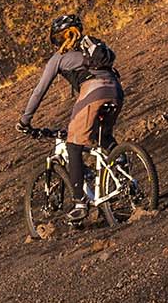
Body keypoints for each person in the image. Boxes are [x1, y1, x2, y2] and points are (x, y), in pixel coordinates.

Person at [18, 12, 123, 224]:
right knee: (104, 137)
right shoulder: (92, 49)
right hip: (116, 90)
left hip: (93, 91)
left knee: (74, 144)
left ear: (59, 37)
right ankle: (124, 172)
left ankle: (79, 203)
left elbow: (39, 91)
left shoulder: (59, 58)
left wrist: (25, 120)